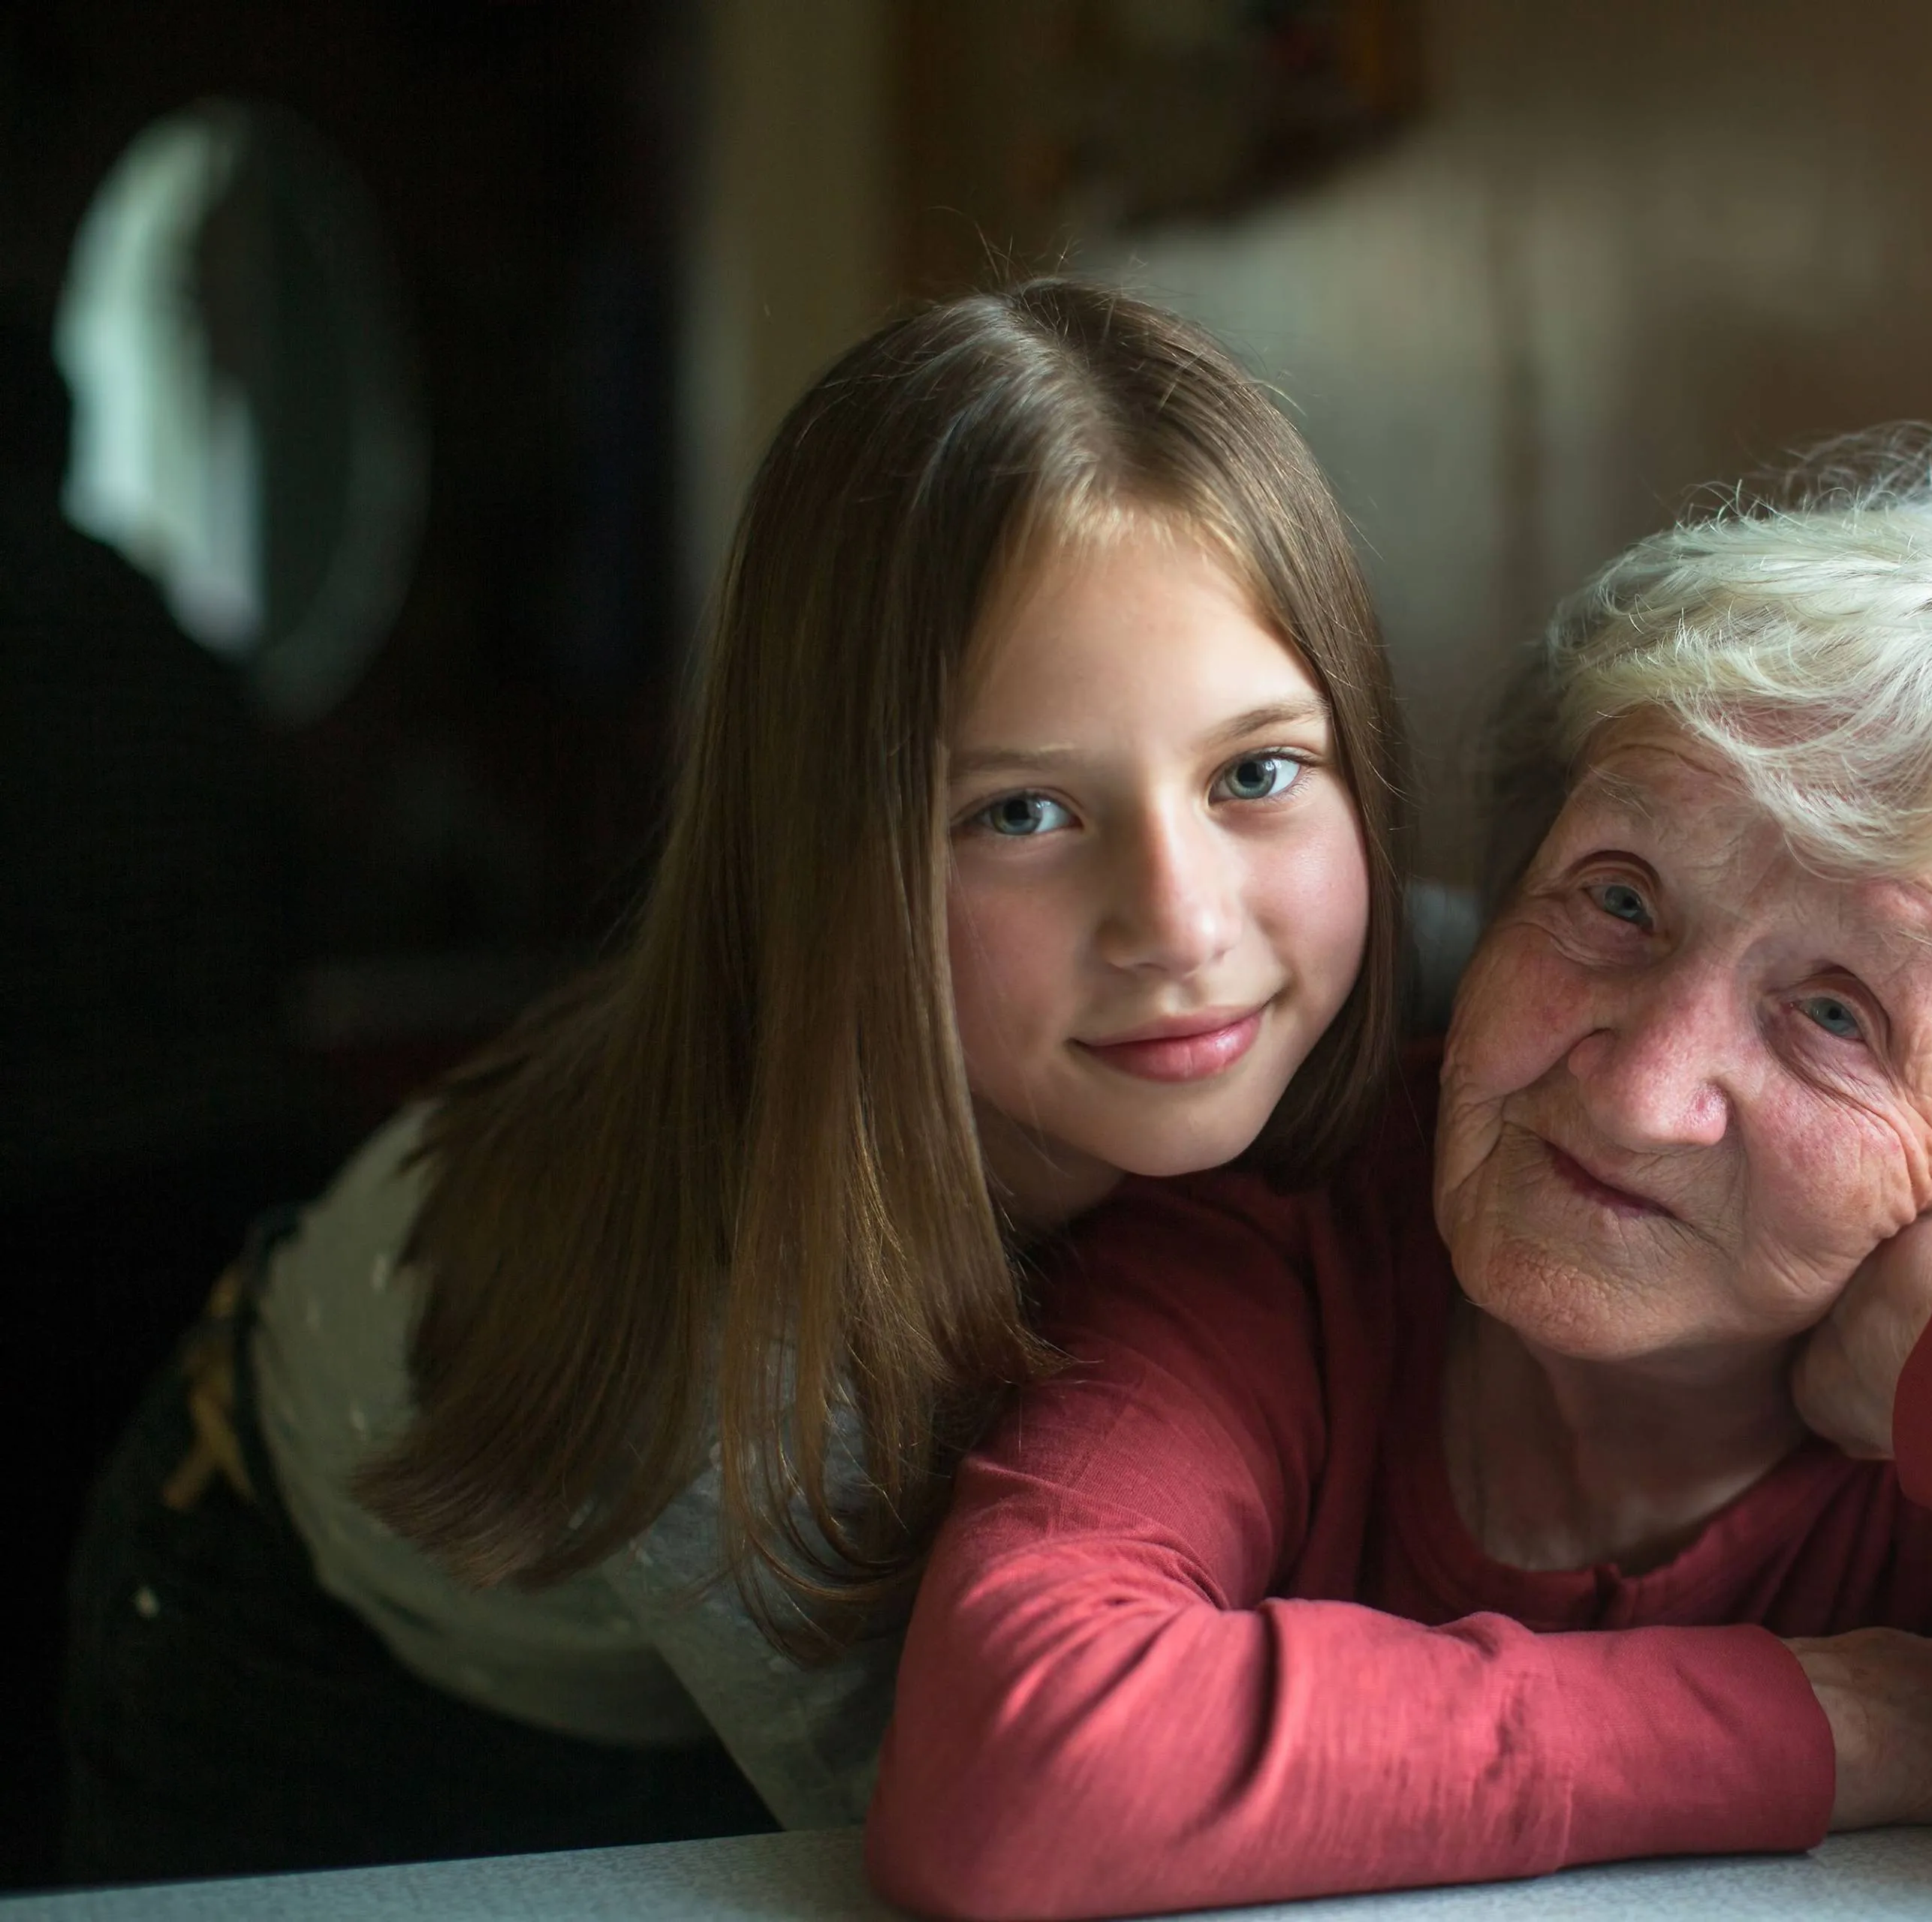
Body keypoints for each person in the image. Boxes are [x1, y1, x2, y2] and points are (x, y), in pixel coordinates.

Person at [867, 438, 1932, 1922]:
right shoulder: (1297, 1211)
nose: (1635, 1086)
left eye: (1839, 1015)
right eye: (1617, 898)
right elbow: (1015, 1761)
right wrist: (1843, 1723)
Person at [62, 279, 1409, 1881]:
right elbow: (1021, 1835)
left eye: (1256, 772)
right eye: (1021, 814)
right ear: (825, 852)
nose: (1185, 927)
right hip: (299, 1637)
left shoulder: (1451, 989)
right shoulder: (731, 1345)